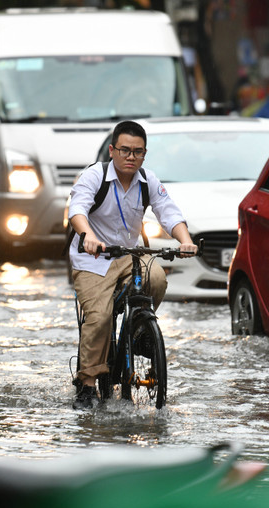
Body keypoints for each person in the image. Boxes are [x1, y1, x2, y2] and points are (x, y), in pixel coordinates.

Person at [67, 120, 198, 410]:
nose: (131, 157)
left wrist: (185, 240)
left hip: (130, 255)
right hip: (94, 259)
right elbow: (77, 209)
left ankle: (139, 333)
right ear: (112, 150)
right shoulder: (94, 177)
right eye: (125, 150)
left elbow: (170, 213)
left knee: (158, 279)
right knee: (99, 317)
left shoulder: (148, 181)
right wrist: (87, 236)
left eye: (138, 152)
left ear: (144, 154)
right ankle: (87, 384)